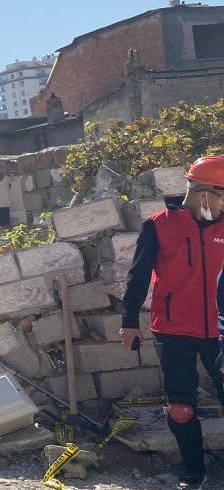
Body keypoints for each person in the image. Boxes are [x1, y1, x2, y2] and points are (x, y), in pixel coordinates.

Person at [120, 157, 224, 490]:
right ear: (204, 192)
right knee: (181, 407)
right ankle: (194, 472)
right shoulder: (158, 225)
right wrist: (129, 320)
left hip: (221, 331)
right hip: (173, 329)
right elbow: (138, 275)